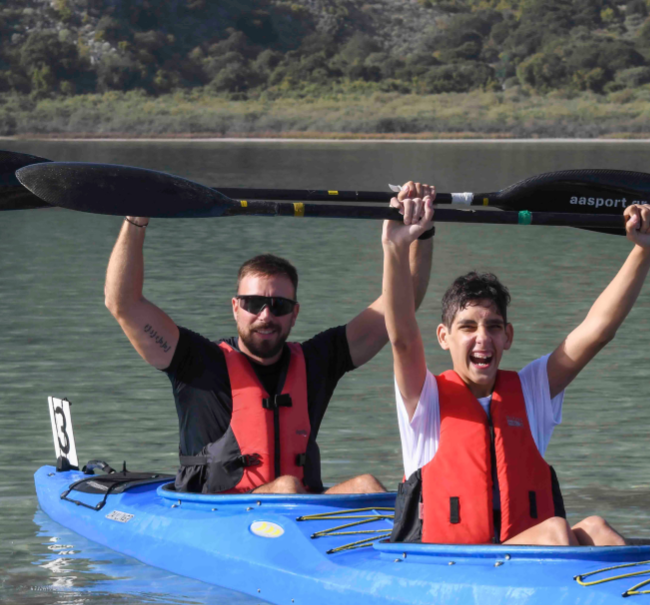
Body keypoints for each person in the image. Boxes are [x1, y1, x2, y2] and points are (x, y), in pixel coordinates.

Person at [104, 182, 436, 495]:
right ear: (235, 308)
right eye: (253, 304)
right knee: (287, 486)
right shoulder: (197, 362)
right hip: (217, 516)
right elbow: (123, 303)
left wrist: (418, 234)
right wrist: (136, 217)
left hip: (298, 519)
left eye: (278, 306)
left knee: (366, 485)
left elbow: (403, 306)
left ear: (294, 313)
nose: (266, 316)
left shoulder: (317, 363)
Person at [383, 192, 650, 545]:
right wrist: (395, 247)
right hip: (450, 565)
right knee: (558, 530)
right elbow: (402, 339)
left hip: (519, 562)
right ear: (444, 337)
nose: (483, 338)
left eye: (494, 327)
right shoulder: (423, 400)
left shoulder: (531, 391)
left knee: (597, 529)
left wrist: (644, 249)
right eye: (468, 327)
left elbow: (597, 332)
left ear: (508, 337)